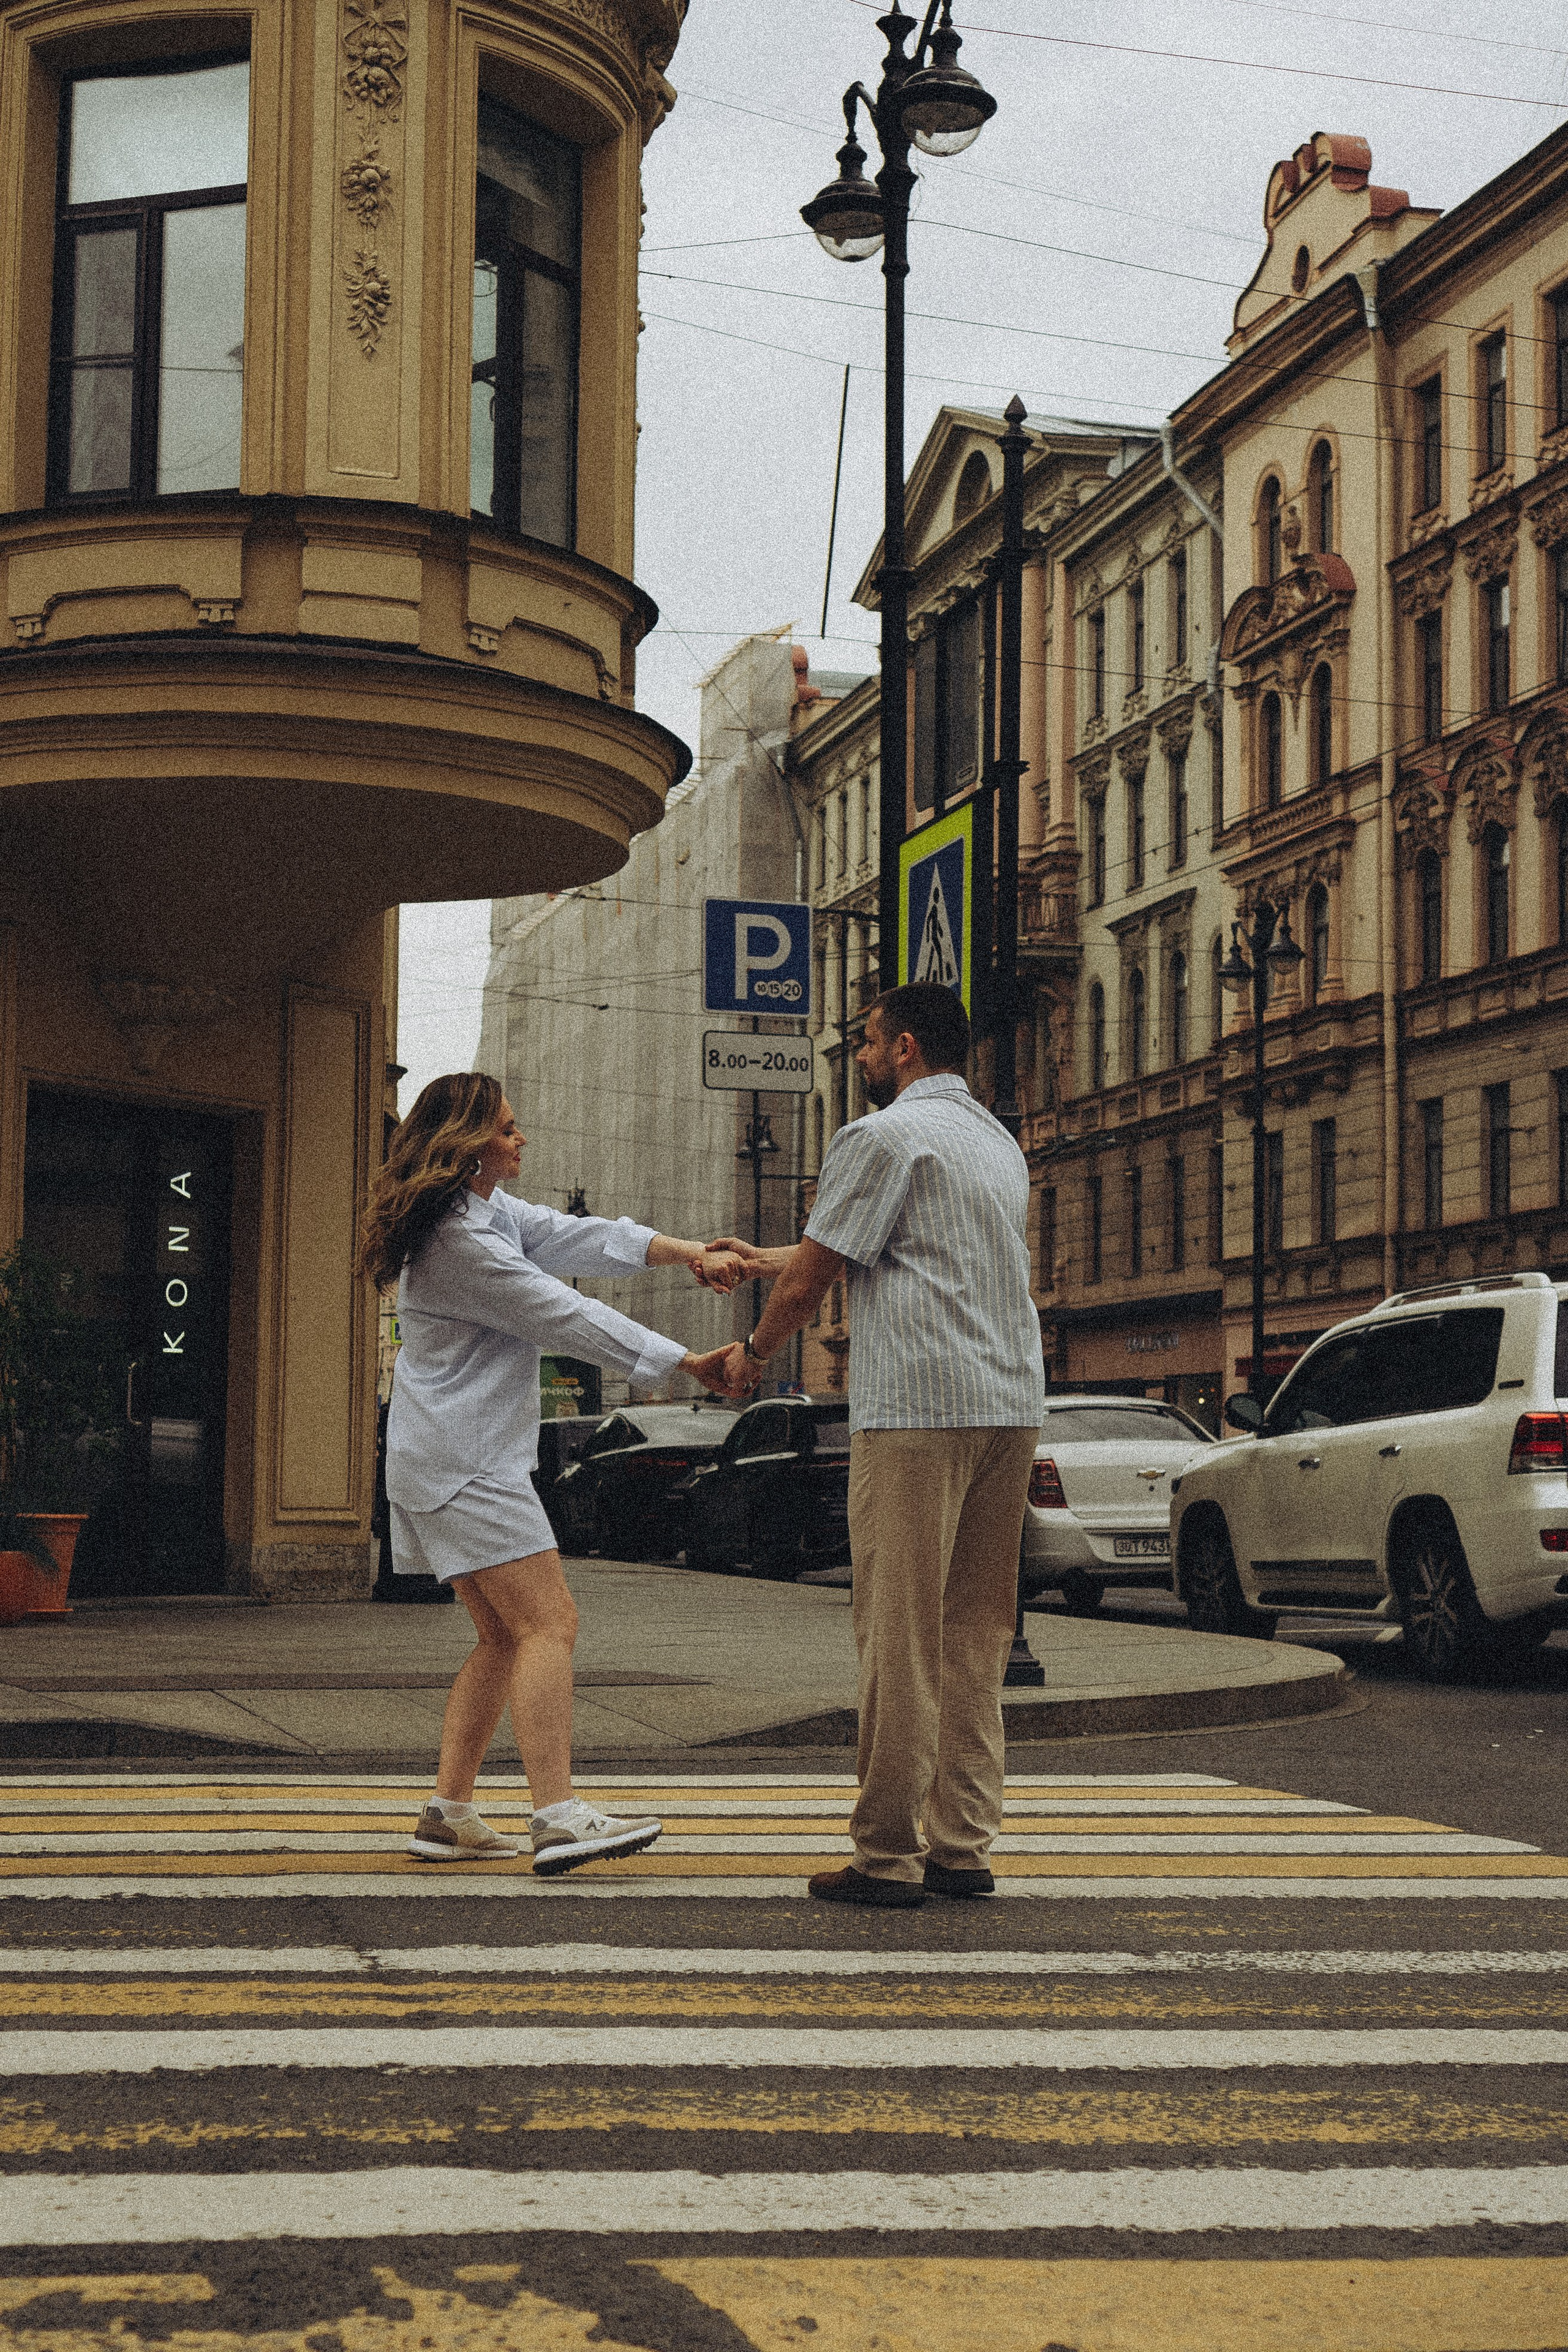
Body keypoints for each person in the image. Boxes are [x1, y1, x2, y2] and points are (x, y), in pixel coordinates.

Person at [356, 1072, 740, 1875]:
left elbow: (580, 1238)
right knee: (549, 1624)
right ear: (467, 1148)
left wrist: (687, 1253)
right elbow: (563, 1312)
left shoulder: (480, 1217)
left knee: (503, 1634)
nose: (520, 1138)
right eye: (506, 1128)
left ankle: (447, 1814)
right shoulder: (461, 1242)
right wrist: (686, 1363)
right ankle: (559, 1818)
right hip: (465, 1461)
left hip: (448, 1455)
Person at [715, 984, 1044, 1908]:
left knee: (898, 1633)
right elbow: (886, 1247)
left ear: (902, 1049)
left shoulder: (881, 1137)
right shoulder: (993, 1139)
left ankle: (888, 1855)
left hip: (917, 1410)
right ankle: (963, 1846)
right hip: (1008, 1403)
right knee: (975, 1632)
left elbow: (819, 1278)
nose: (857, 1055)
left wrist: (752, 1356)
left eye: (865, 1041)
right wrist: (765, 1254)